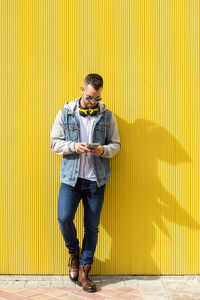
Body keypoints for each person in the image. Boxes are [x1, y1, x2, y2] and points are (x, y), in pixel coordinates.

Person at [50, 73, 121, 293]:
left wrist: (103, 150)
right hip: (71, 180)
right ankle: (74, 253)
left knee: (92, 227)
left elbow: (116, 145)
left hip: (95, 182)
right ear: (82, 89)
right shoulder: (66, 113)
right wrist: (73, 147)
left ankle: (85, 270)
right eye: (90, 97)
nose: (93, 102)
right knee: (64, 218)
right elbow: (54, 143)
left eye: (97, 98)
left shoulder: (107, 116)